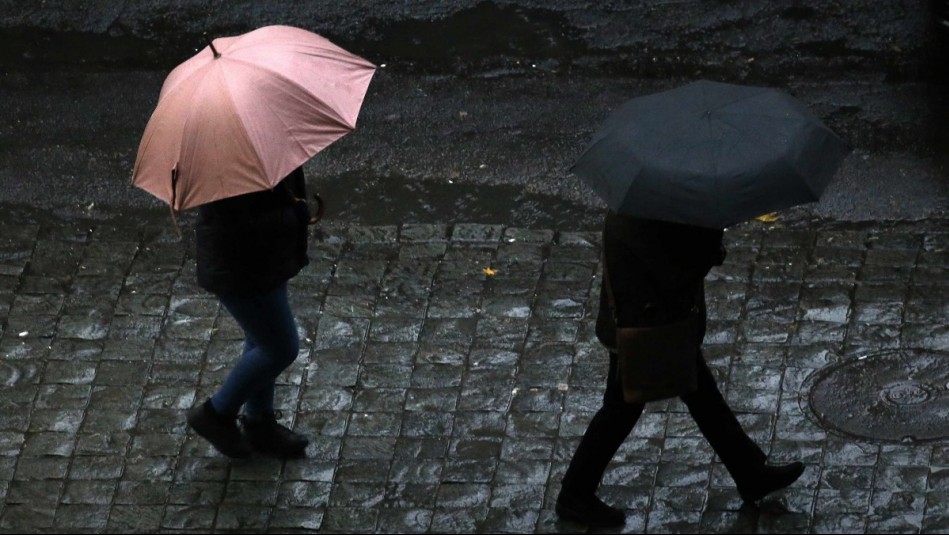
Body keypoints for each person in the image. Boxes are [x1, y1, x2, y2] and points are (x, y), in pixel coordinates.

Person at [555, 210, 805, 527]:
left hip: (648, 318)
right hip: (645, 323)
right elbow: (671, 271)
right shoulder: (646, 213)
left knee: (698, 391)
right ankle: (574, 494)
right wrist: (710, 243)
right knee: (623, 407)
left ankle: (749, 471)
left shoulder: (642, 199)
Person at [185, 166, 318, 459]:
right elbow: (239, 223)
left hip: (265, 261)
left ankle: (259, 422)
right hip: (242, 269)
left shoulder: (263, 144)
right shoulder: (227, 165)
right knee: (280, 347)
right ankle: (216, 413)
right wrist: (294, 215)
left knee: (260, 340)